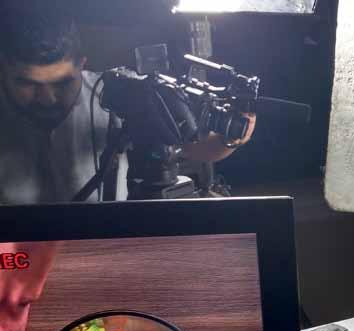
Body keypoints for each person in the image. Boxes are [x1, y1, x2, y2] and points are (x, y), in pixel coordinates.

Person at [0, 4, 256, 204]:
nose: (47, 98)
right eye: (27, 84)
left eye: (62, 83)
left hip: (102, 241)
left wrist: (232, 135)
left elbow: (197, 149)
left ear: (82, 65)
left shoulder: (119, 92)